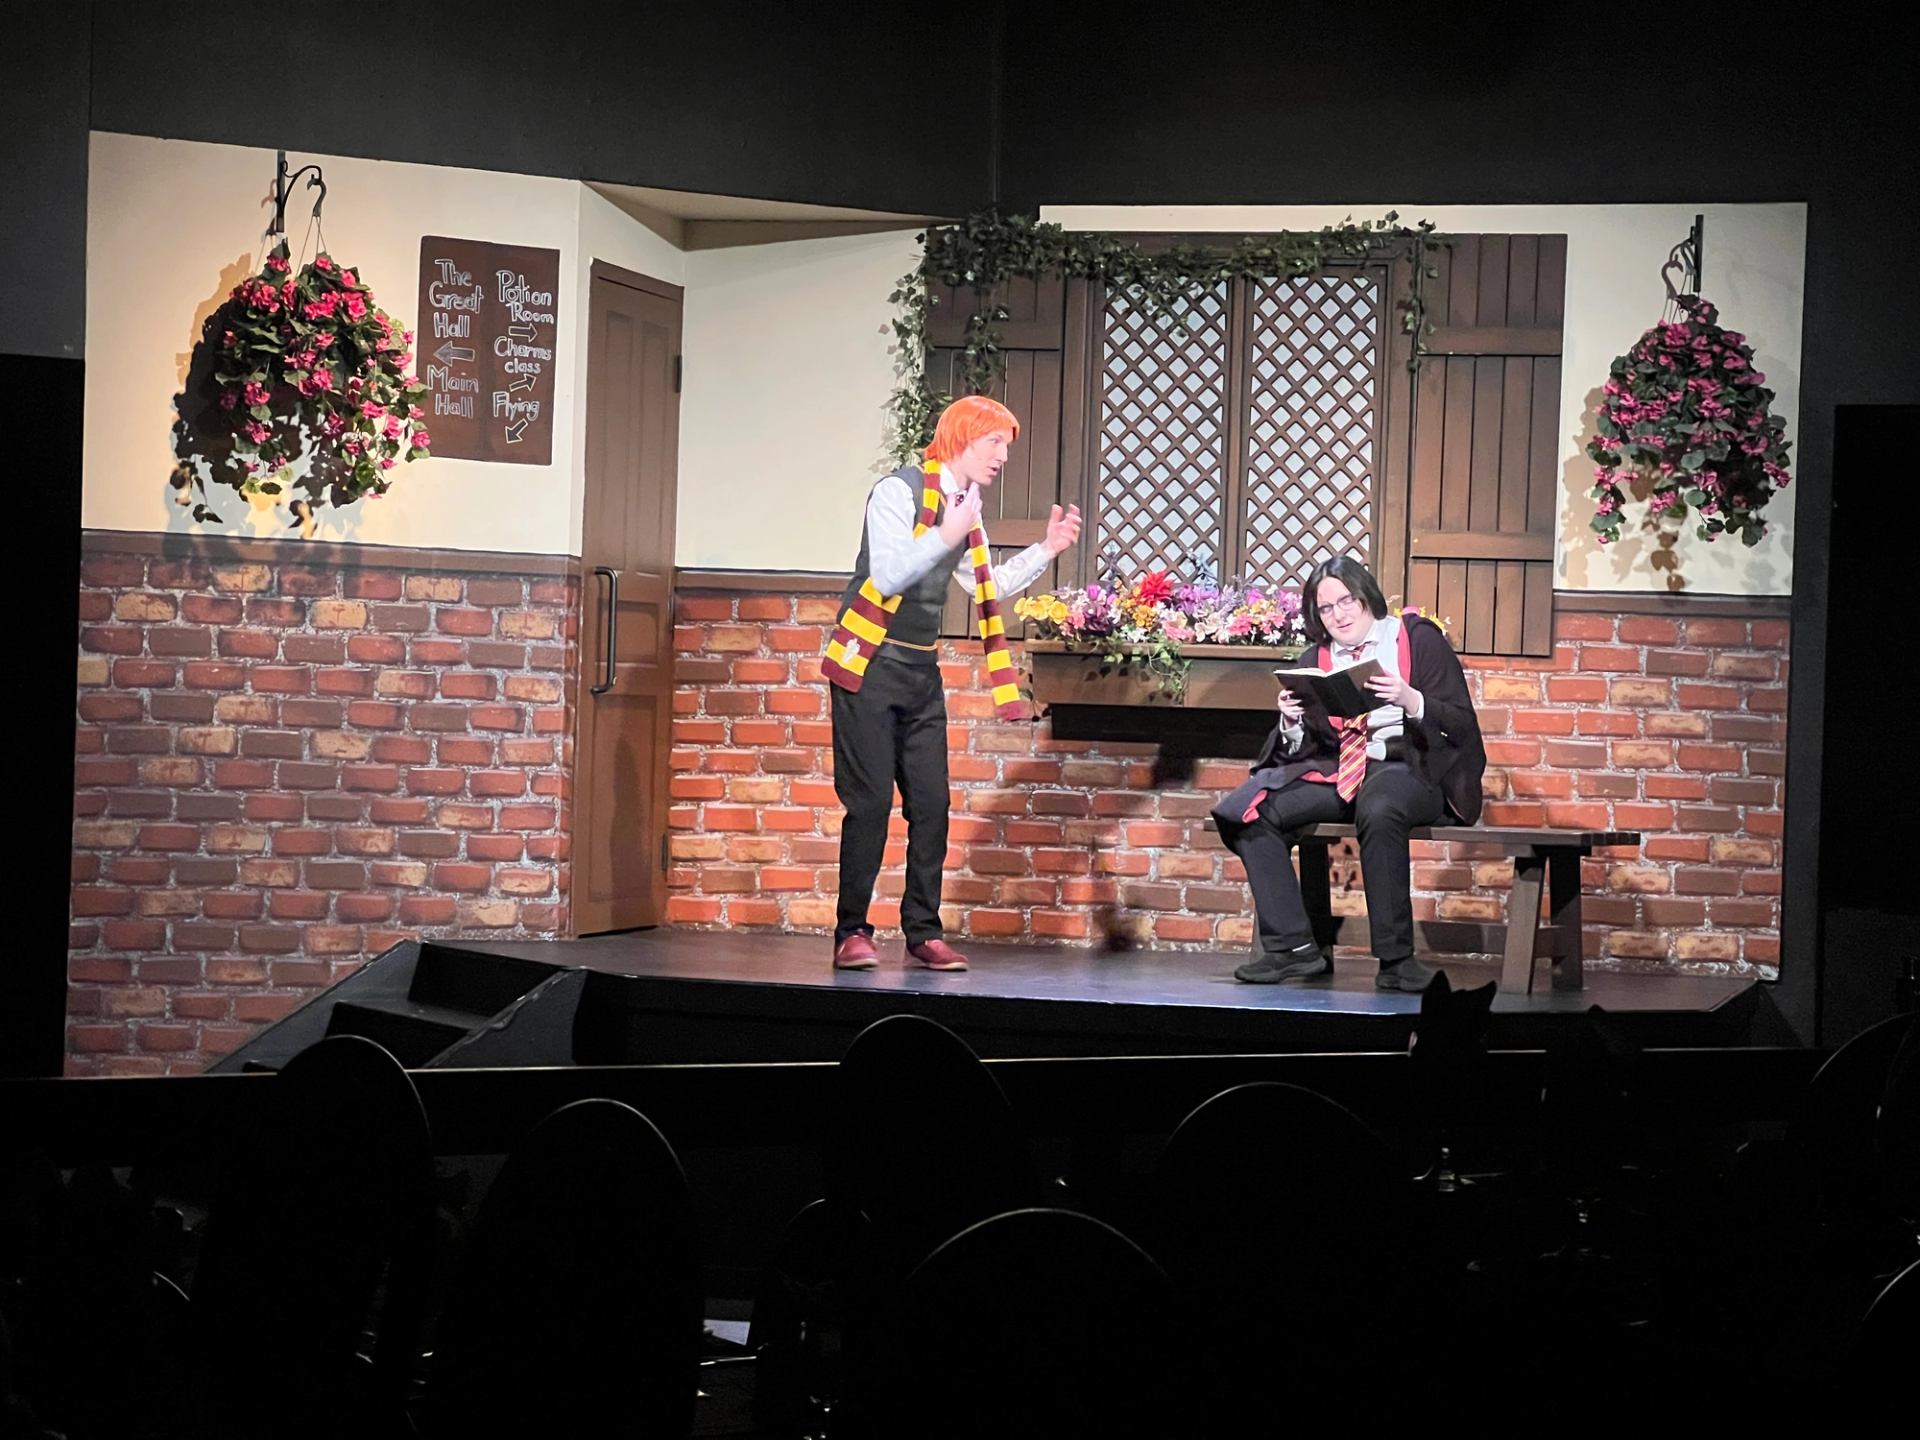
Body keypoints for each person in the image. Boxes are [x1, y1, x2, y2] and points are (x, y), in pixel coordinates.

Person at [821, 396, 1083, 971]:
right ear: (962, 436)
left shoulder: (965, 508)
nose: (1002, 457)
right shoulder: (898, 492)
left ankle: (922, 931)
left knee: (933, 804)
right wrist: (947, 532)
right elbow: (889, 573)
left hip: (918, 669)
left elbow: (985, 585)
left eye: (1006, 447)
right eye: (994, 443)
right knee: (868, 804)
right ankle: (852, 932)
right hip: (867, 664)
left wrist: (1047, 548)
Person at [1211, 556, 1485, 991]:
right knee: (1248, 810)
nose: (1338, 615)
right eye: (1325, 608)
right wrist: (1291, 722)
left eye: (1346, 601)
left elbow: (1462, 724)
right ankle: (1293, 949)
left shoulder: (1414, 639)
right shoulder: (1315, 657)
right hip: (1340, 769)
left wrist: (1411, 699)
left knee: (1380, 807)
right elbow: (1300, 751)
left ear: (1367, 598)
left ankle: (1396, 960)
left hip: (1409, 765)